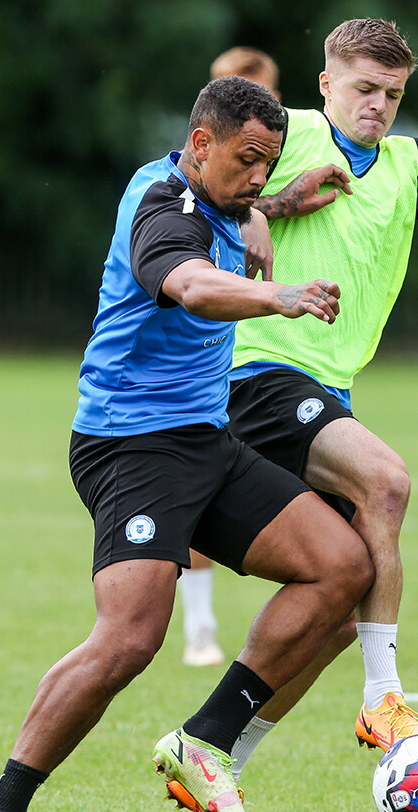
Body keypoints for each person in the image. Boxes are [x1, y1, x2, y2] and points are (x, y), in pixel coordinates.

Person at [0, 76, 375, 812]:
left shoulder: (222, 196)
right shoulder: (159, 204)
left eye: (269, 162)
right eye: (247, 160)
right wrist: (275, 294)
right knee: (130, 638)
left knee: (341, 567)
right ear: (199, 145)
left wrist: (276, 202)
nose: (256, 175)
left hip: (205, 441)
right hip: (129, 446)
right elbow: (185, 284)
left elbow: (234, 207)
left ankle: (205, 741)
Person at [223, 20, 418, 777]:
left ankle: (217, 752)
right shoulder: (284, 131)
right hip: (255, 370)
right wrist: (274, 204)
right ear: (326, 83)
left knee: (336, 601)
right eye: (364, 89)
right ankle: (385, 695)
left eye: (392, 94)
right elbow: (188, 198)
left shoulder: (404, 164)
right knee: (387, 480)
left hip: (325, 389)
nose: (379, 106)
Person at [178, 47, 282, 668]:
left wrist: (258, 207)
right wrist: (262, 211)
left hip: (278, 357)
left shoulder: (274, 150)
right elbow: (188, 279)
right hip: (213, 363)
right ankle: (200, 627)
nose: (259, 173)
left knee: (333, 549)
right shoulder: (180, 185)